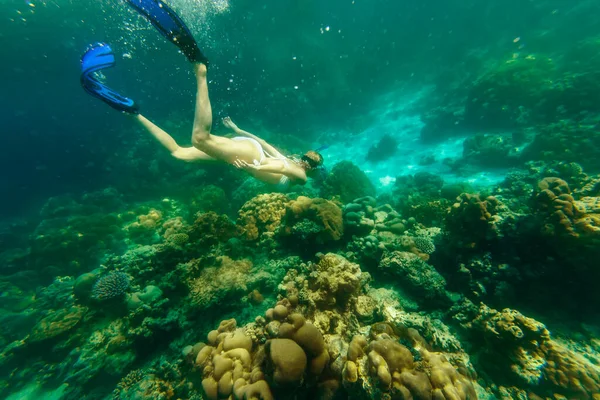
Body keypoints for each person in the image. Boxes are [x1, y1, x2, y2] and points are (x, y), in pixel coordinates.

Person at [80, 0, 324, 190]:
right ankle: (200, 70)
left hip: (247, 149)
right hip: (248, 156)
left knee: (180, 153)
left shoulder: (293, 160)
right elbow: (278, 165)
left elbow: (266, 144)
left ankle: (132, 111)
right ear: (312, 170)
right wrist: (255, 164)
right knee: (200, 139)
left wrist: (239, 132)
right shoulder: (301, 177)